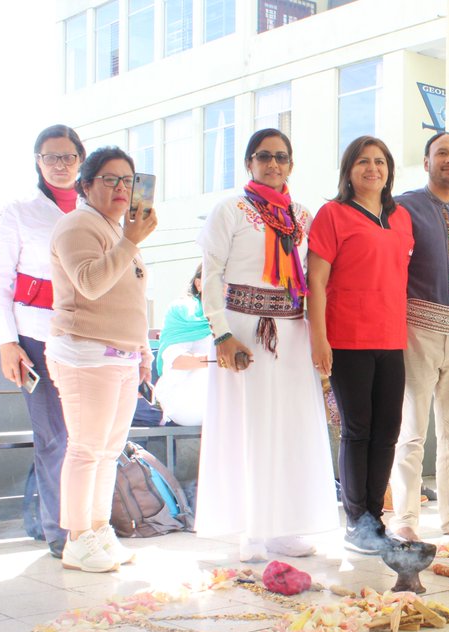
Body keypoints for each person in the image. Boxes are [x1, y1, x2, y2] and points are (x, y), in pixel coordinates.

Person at [196, 130, 337, 561]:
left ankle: (285, 527)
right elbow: (211, 275)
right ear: (248, 163)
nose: (273, 164)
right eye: (264, 156)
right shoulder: (230, 209)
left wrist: (318, 335)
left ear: (291, 164)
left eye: (281, 157)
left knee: (290, 426)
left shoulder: (302, 215)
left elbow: (316, 278)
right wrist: (221, 333)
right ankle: (252, 531)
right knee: (250, 426)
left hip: (291, 331)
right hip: (244, 330)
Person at [47, 145, 157, 572]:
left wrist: (144, 349)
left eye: (128, 181)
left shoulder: (117, 230)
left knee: (109, 451)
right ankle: (77, 538)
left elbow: (131, 296)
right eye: (110, 179)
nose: (121, 188)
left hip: (122, 354)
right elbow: (90, 284)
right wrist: (130, 240)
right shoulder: (78, 225)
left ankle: (96, 530)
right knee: (87, 449)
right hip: (85, 351)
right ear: (87, 184)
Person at [308, 135, 414, 554]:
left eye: (381, 162)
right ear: (349, 172)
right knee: (358, 430)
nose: (373, 169)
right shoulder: (332, 215)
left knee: (387, 430)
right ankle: (357, 522)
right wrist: (319, 339)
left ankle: (375, 518)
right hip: (348, 338)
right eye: (364, 162)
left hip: (392, 338)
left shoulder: (400, 217)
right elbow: (316, 281)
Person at [0, 124, 85, 560]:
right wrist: (7, 343)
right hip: (34, 336)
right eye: (51, 157)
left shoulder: (96, 210)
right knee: (53, 437)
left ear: (81, 160)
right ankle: (60, 530)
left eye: (68, 156)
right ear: (37, 161)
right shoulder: (18, 213)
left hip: (88, 335)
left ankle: (91, 523)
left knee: (90, 435)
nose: (60, 165)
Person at [388, 132, 449, 541]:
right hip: (417, 327)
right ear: (425, 161)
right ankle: (405, 519)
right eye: (442, 152)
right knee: (410, 431)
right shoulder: (404, 206)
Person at [153, 265, 211, 426]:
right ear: (199, 284)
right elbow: (176, 361)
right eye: (219, 279)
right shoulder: (183, 311)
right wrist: (216, 359)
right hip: (185, 400)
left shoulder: (238, 316)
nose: (227, 286)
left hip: (223, 401)